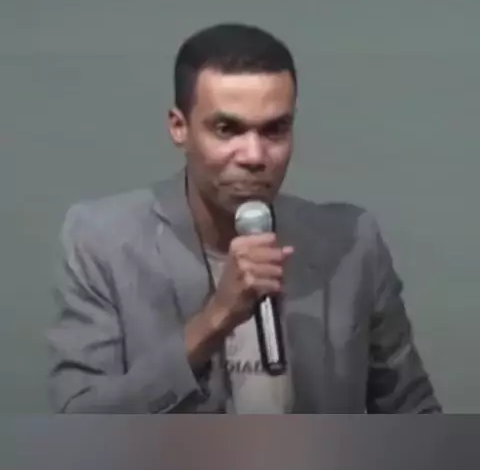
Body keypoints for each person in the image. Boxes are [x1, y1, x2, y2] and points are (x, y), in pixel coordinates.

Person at [47, 23, 441, 413]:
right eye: (226, 129)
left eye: (275, 130)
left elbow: (415, 412)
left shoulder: (351, 243)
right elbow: (81, 419)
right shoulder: (102, 242)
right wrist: (214, 320)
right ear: (179, 127)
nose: (254, 156)